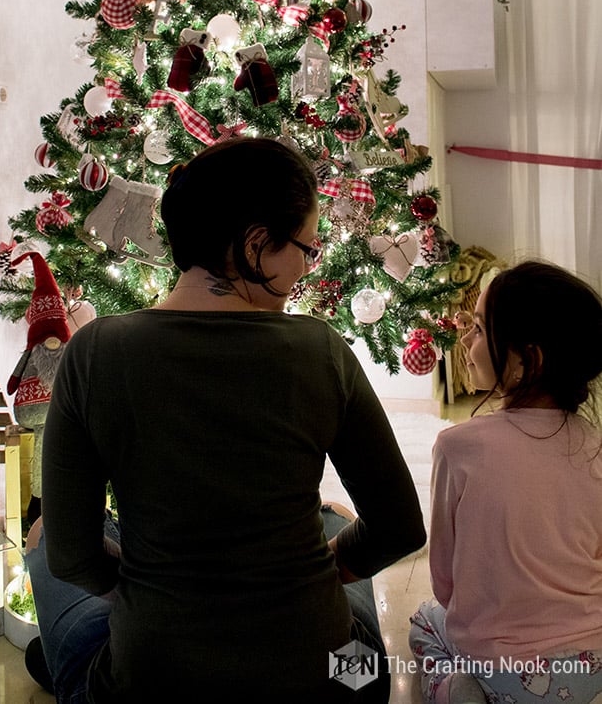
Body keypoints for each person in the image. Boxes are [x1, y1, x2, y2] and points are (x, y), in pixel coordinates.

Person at [24, 136, 426, 702]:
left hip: (149, 680)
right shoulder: (322, 350)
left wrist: (162, 595)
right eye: (306, 251)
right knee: (336, 543)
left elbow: (73, 556)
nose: (307, 270)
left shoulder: (94, 352)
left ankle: (70, 660)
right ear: (257, 245)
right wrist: (305, 577)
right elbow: (398, 529)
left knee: (45, 543)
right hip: (331, 683)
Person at [409, 260, 602, 704]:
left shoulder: (457, 447)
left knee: (424, 619)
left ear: (526, 360)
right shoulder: (595, 445)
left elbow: (445, 579)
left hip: (504, 677)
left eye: (477, 328)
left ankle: (458, 691)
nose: (465, 339)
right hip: (591, 667)